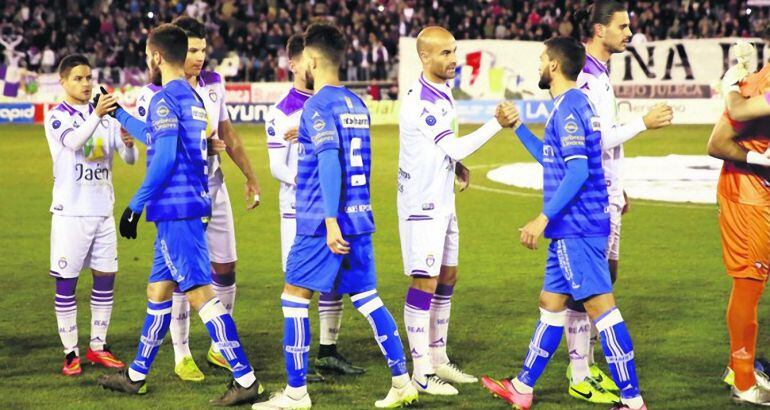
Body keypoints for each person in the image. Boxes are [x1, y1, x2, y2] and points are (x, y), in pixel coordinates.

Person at [253, 22, 417, 409]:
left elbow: (329, 161)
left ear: (310, 59)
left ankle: (296, 393)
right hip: (360, 217)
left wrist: (328, 220)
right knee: (369, 299)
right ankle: (402, 381)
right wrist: (305, 133)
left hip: (321, 222)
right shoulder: (356, 104)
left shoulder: (317, 105)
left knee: (294, 298)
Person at [96, 24, 262, 406]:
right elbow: (157, 137)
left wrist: (136, 205)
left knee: (200, 293)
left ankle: (246, 377)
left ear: (155, 56)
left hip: (176, 209)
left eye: (146, 54)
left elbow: (166, 156)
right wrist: (118, 113)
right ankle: (135, 375)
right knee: (158, 290)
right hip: (191, 203)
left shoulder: (164, 98)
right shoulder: (190, 97)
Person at [480, 36, 646, 410]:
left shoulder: (570, 107)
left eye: (542, 59)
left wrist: (542, 218)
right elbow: (551, 159)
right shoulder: (571, 105)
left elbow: (577, 171)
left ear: (554, 65)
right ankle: (522, 387)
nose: (539, 65)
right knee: (550, 302)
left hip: (577, 226)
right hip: (572, 228)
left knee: (602, 309)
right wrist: (519, 127)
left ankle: (633, 401)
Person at [397, 26, 518, 396]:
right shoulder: (422, 100)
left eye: (454, 51)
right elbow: (457, 146)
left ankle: (437, 358)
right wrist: (495, 125)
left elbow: (445, 148)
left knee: (448, 276)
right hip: (422, 203)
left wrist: (455, 166)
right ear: (425, 57)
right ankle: (420, 372)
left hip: (443, 197)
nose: (454, 59)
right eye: (446, 53)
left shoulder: (444, 91)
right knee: (425, 281)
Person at [564, 2, 673, 403]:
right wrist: (643, 122)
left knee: (605, 277)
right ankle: (579, 370)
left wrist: (618, 185)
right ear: (598, 30)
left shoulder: (601, 73)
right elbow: (594, 141)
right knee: (588, 287)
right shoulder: (585, 79)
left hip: (606, 191)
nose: (630, 32)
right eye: (622, 26)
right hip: (590, 198)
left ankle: (584, 365)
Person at [265, 34, 364, 381]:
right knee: (298, 285)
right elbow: (277, 167)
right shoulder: (280, 111)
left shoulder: (330, 102)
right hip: (298, 209)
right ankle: (300, 363)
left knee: (334, 281)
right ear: (296, 64)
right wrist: (312, 185)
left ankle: (328, 351)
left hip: (331, 208)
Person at [44, 54, 136, 376]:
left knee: (105, 278)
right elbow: (75, 141)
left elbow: (128, 159)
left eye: (89, 78)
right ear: (64, 82)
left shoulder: (107, 117)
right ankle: (70, 352)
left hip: (102, 213)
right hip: (71, 213)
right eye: (78, 78)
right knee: (67, 282)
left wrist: (127, 142)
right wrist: (98, 114)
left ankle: (98, 346)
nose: (85, 84)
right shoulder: (57, 117)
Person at [708, 39, 770, 405]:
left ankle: (741, 366)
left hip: (759, 194)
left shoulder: (752, 84)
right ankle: (743, 382)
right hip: (747, 196)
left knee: (754, 281)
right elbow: (716, 143)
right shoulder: (755, 86)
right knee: (749, 282)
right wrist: (764, 163)